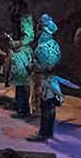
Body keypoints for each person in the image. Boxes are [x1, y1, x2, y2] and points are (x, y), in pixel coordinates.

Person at [28, 14, 68, 142]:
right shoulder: (54, 43)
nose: (36, 28)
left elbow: (45, 65)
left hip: (44, 81)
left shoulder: (42, 47)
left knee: (46, 107)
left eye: (38, 26)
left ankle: (43, 133)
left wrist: (32, 66)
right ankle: (47, 132)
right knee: (50, 107)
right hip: (52, 79)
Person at [5, 0, 36, 117]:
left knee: (23, 81)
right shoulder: (17, 15)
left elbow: (29, 35)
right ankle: (18, 104)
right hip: (17, 51)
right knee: (18, 80)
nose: (9, 6)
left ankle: (24, 109)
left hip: (22, 52)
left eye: (11, 3)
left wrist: (17, 43)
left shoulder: (24, 16)